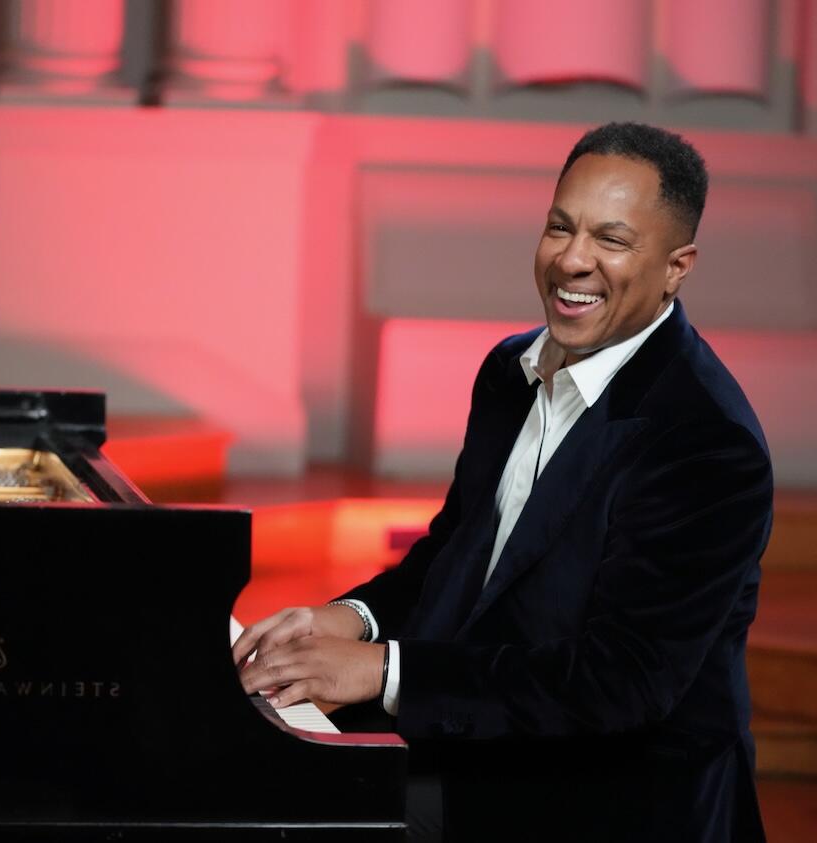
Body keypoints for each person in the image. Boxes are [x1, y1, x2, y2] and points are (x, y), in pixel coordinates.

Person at [233, 122, 773, 843]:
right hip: (490, 749)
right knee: (255, 779)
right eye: (559, 227)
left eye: (611, 240)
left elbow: (616, 685)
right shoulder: (509, 370)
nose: (572, 260)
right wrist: (346, 619)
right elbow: (455, 556)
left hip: (614, 801)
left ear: (678, 265)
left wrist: (382, 670)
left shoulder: (706, 441)